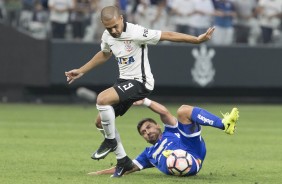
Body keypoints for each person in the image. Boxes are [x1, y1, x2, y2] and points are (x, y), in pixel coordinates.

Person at [65, 6, 215, 177]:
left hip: (141, 82)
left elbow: (167, 35)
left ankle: (110, 141)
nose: (113, 31)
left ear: (121, 18)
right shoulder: (107, 36)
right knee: (100, 122)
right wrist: (82, 70)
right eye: (109, 28)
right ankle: (122, 160)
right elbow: (105, 53)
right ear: (103, 24)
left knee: (102, 99)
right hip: (124, 82)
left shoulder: (136, 32)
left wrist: (196, 39)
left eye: (115, 26)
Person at [89, 98, 239, 177]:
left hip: (191, 149)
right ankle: (174, 159)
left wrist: (145, 101)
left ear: (158, 126)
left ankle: (224, 124)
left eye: (148, 127)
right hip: (181, 164)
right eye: (143, 133)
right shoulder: (148, 154)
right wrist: (98, 173)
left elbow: (165, 113)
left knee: (183, 111)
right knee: (167, 157)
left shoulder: (170, 131)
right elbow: (126, 167)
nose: (146, 132)